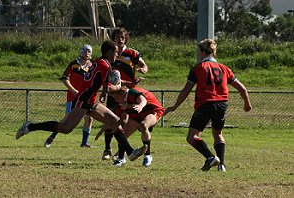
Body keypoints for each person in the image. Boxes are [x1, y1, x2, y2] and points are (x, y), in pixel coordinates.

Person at [16, 40, 147, 162]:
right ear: (109, 52)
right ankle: (29, 126)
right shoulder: (105, 66)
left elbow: (104, 82)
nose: (117, 55)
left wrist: (126, 84)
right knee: (65, 128)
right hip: (84, 100)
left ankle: (130, 153)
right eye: (116, 52)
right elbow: (111, 87)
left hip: (91, 101)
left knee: (114, 122)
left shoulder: (99, 62)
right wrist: (117, 86)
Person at [164, 39, 252, 172]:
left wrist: (175, 106)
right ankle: (222, 165)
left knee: (192, 136)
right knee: (218, 133)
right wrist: (247, 104)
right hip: (222, 105)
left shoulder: (198, 68)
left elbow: (186, 90)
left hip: (205, 104)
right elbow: (242, 88)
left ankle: (210, 157)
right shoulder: (224, 69)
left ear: (202, 51)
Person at [100, 27, 149, 160]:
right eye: (117, 37)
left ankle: (123, 152)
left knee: (126, 119)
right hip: (114, 91)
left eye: (122, 37)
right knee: (110, 118)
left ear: (125, 38)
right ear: (113, 39)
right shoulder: (111, 54)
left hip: (127, 92)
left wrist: (142, 69)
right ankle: (107, 149)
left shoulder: (132, 53)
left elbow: (144, 65)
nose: (120, 39)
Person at [98, 87, 164, 167]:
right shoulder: (120, 103)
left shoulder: (132, 93)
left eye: (116, 97)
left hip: (152, 111)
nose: (115, 100)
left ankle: (147, 156)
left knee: (144, 125)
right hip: (137, 114)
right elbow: (120, 119)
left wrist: (140, 106)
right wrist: (105, 128)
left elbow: (143, 100)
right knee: (122, 134)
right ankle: (121, 158)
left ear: (122, 93)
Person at [44, 44, 93, 148]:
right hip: (73, 97)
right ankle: (51, 137)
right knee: (66, 120)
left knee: (89, 118)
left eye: (89, 52)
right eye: (85, 51)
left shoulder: (90, 66)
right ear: (81, 52)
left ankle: (84, 143)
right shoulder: (74, 64)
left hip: (85, 98)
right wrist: (73, 90)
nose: (87, 53)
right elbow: (65, 78)